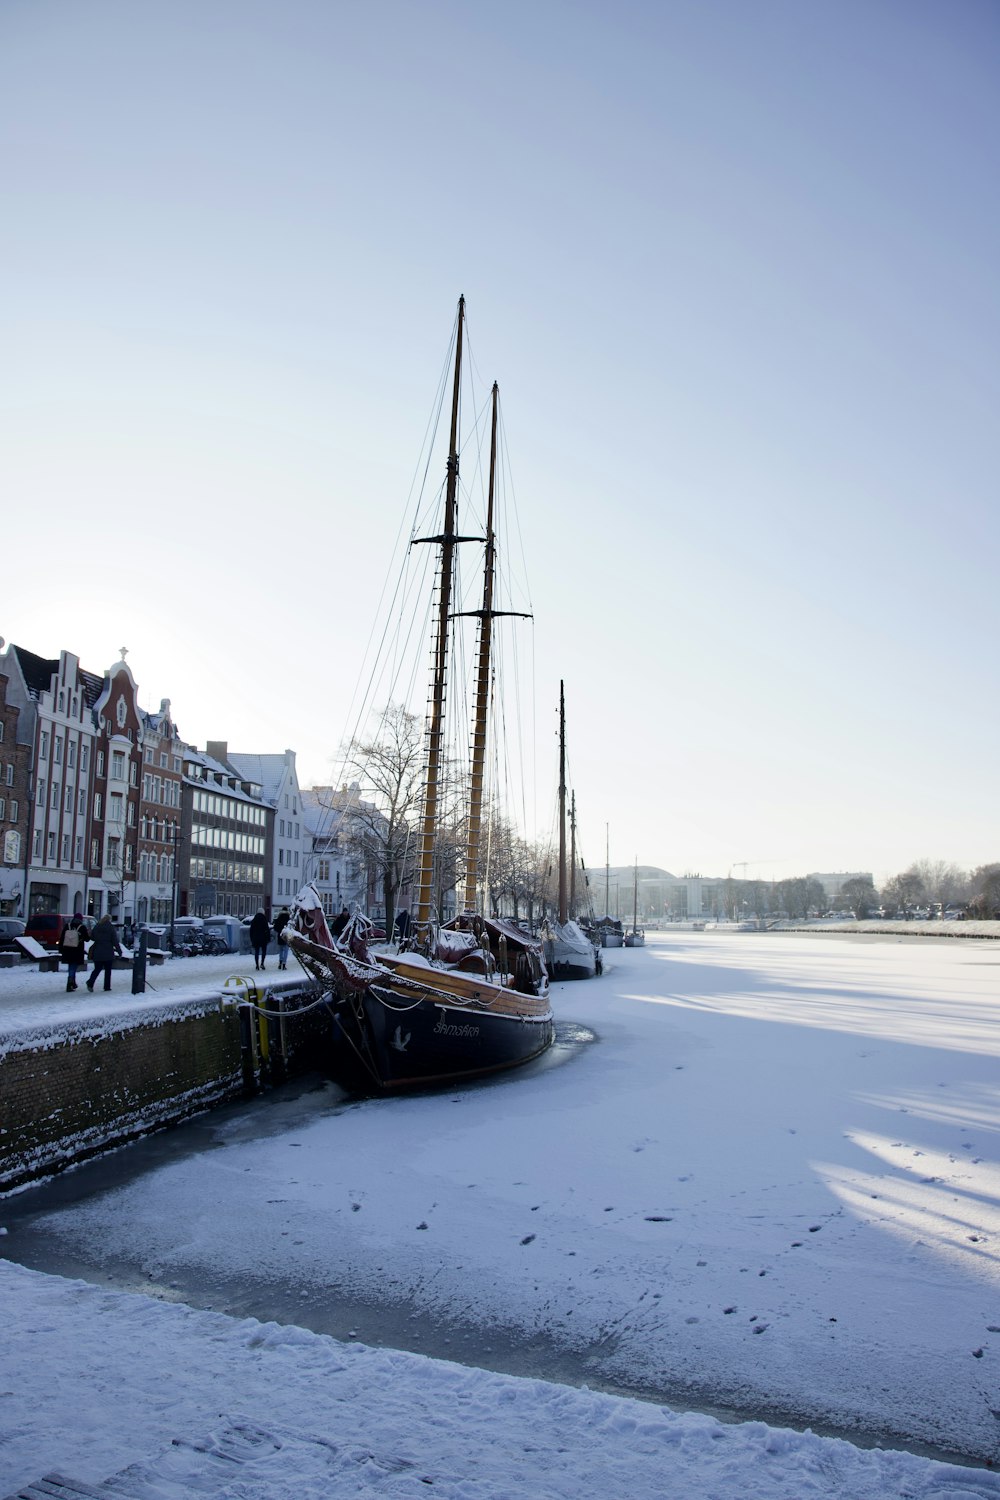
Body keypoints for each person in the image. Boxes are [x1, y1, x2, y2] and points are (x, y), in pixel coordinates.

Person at [85, 914, 122, 992]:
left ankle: (90, 982)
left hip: (97, 951)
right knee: (108, 970)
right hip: (108, 952)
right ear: (109, 920)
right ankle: (107, 986)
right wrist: (119, 951)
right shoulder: (111, 928)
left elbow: (92, 937)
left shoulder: (97, 926)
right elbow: (115, 941)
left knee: (97, 969)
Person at [60, 912, 90, 992]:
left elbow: (62, 938)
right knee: (73, 967)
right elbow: (87, 939)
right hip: (77, 950)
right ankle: (70, 984)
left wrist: (61, 949)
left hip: (67, 949)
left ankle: (72, 983)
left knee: (71, 966)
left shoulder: (67, 926)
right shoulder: (82, 927)